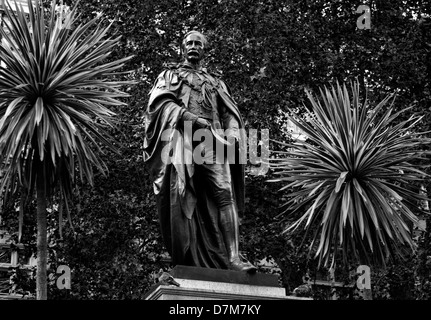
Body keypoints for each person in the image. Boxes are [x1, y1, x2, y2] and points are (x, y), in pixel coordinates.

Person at [143, 31, 256, 273]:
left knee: (225, 194)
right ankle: (188, 255)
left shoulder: (217, 82)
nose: (193, 47)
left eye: (198, 43)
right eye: (189, 43)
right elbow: (160, 104)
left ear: (205, 49)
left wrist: (234, 134)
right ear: (182, 48)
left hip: (212, 141)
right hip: (183, 137)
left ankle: (234, 258)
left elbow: (229, 114)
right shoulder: (170, 75)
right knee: (182, 194)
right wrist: (192, 118)